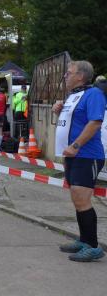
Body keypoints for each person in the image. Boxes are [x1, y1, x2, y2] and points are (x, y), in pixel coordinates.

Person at [53, 60, 105, 262]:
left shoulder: (94, 94)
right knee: (77, 199)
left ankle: (93, 246)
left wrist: (76, 145)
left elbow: (95, 122)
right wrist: (59, 110)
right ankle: (84, 240)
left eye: (69, 72)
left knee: (82, 199)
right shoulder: (74, 95)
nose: (65, 76)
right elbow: (74, 122)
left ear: (81, 76)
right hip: (73, 156)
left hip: (87, 155)